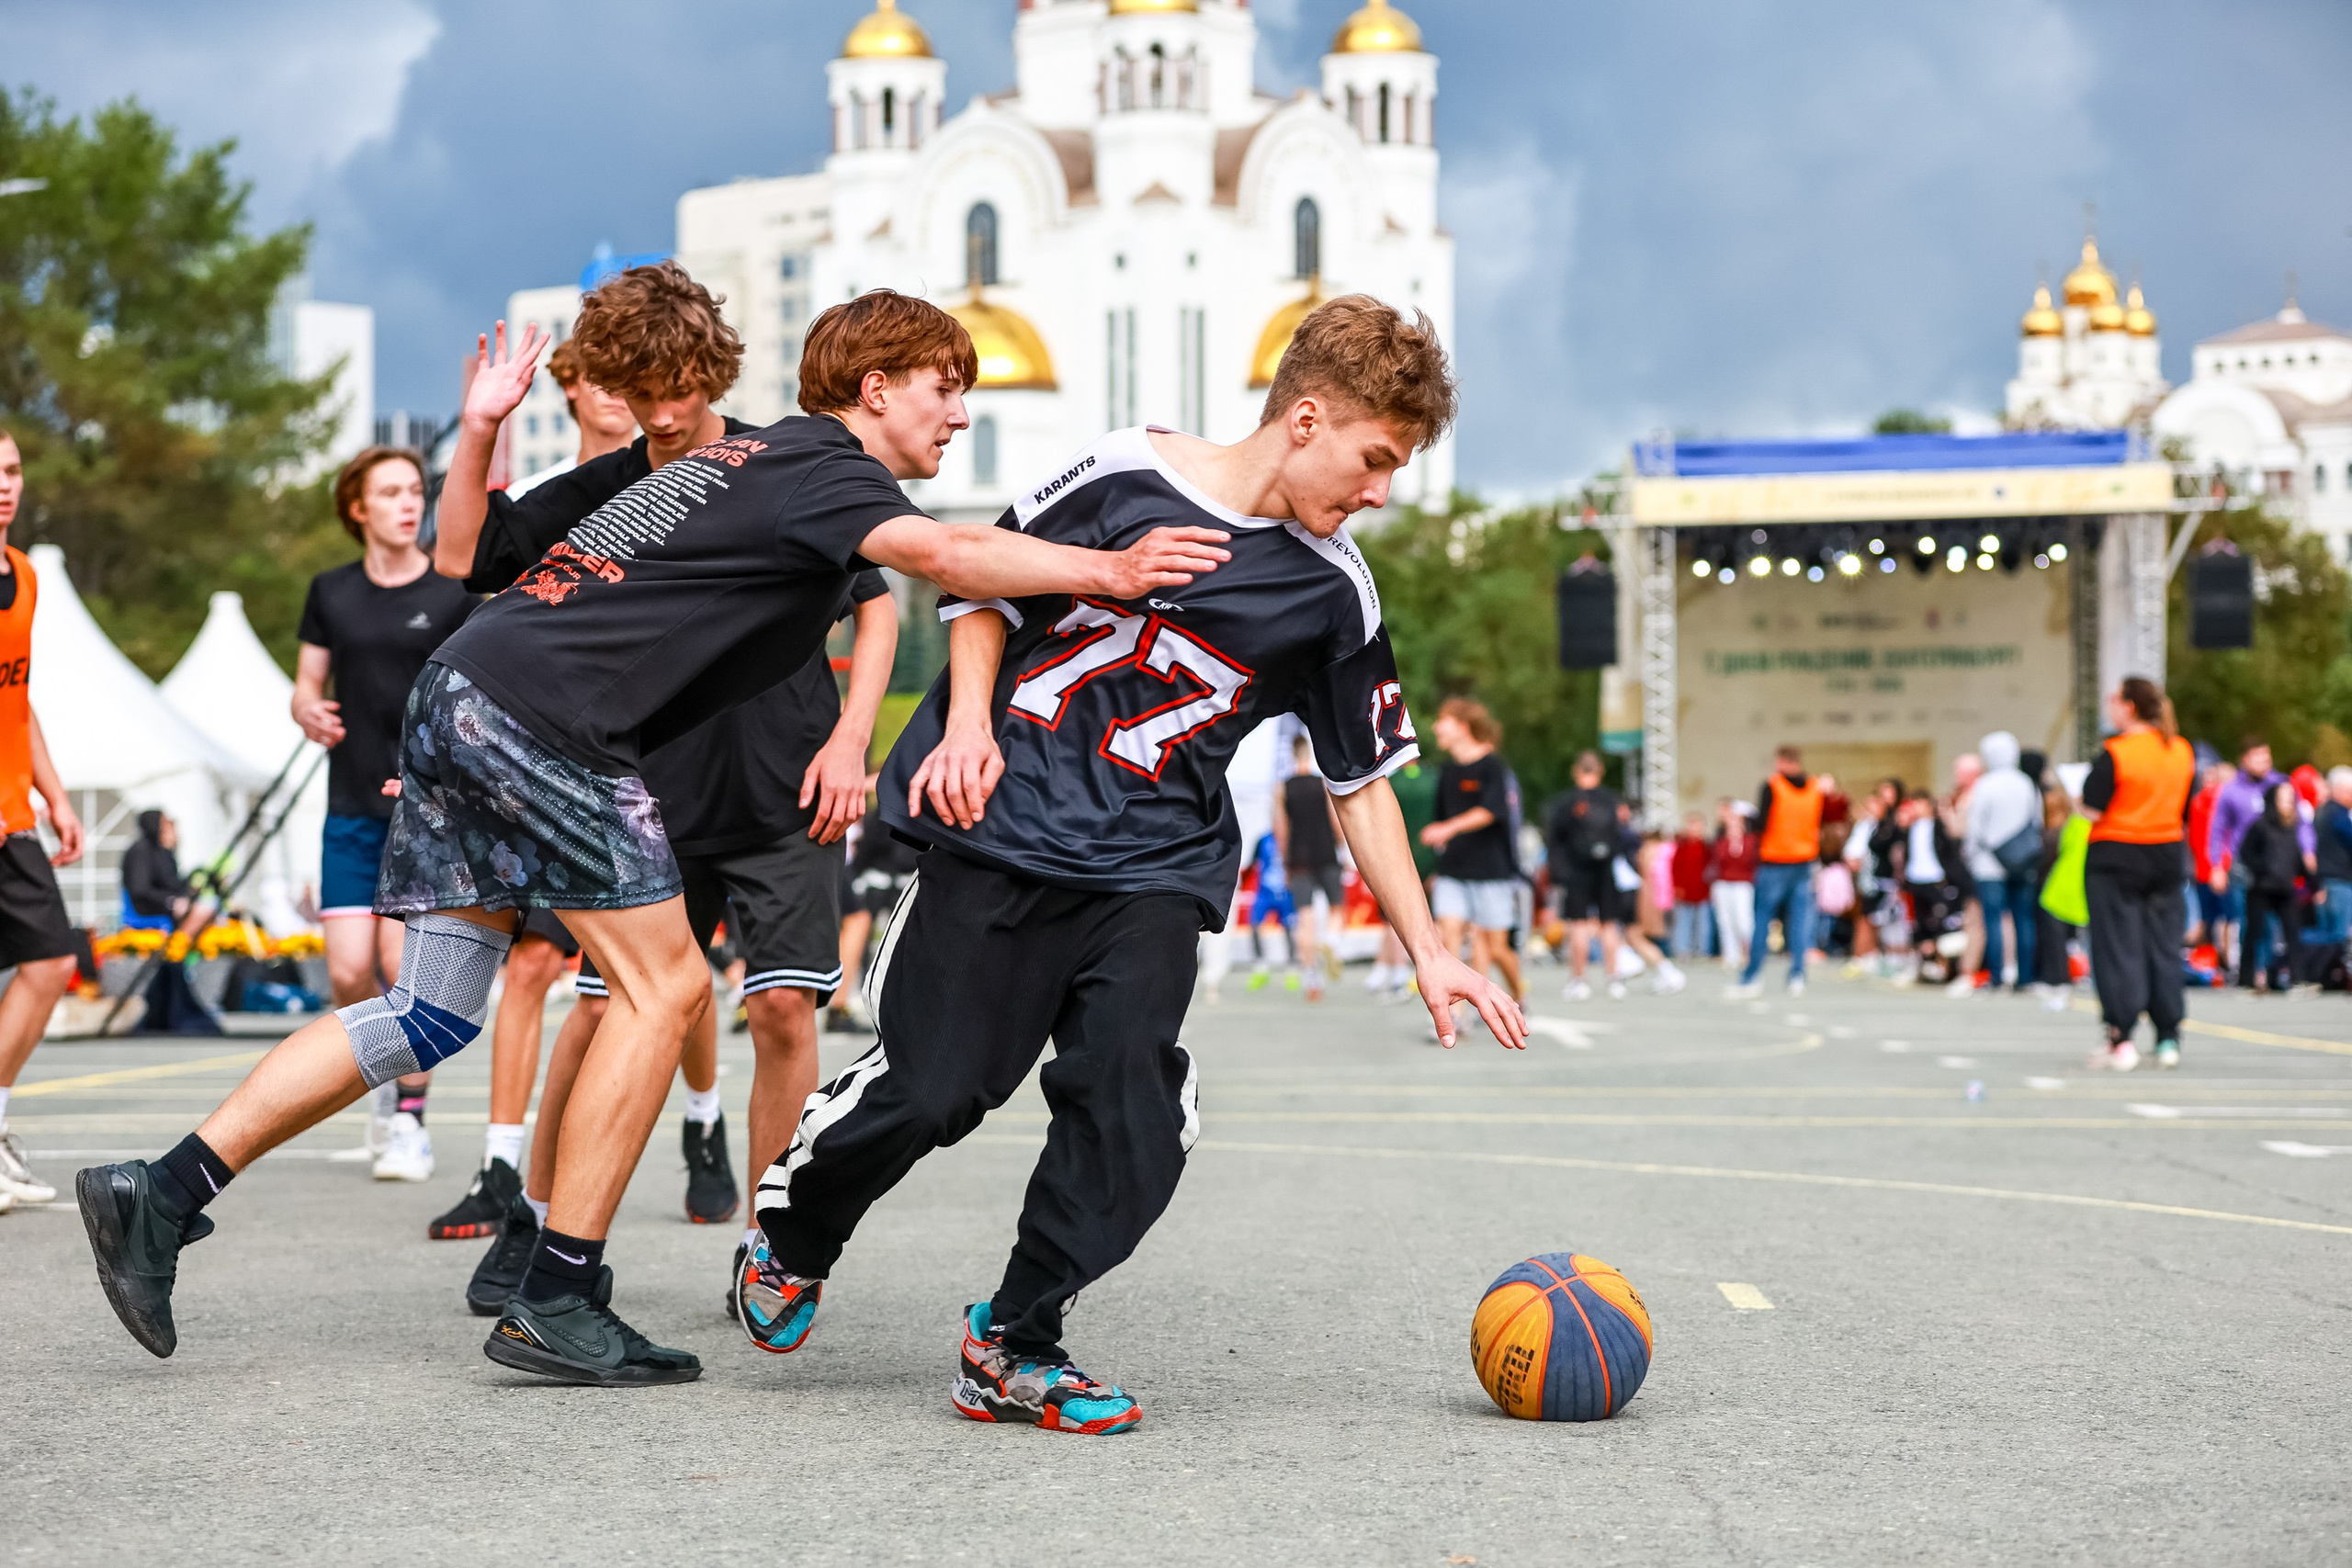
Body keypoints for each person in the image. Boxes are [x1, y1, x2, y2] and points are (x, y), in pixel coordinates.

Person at [74, 288, 1228, 1382]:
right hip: (546, 723)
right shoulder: (821, 466)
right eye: (945, 387)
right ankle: (561, 1293)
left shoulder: (748, 460)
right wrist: (1111, 569)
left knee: (430, 1009)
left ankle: (162, 1192)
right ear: (874, 387)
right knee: (668, 991)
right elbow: (948, 559)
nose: (960, 412)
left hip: (467, 696)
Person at [740, 295, 1528, 1434]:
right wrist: (966, 728)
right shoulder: (1122, 473)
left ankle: (1015, 1339)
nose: (1378, 492)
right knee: (937, 1088)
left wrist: (1432, 951)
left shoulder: (1333, 591)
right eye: (1374, 460)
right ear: (1306, 419)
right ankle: (796, 1230)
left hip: (1156, 870)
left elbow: (1359, 782)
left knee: (1131, 1104)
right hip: (1005, 832)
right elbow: (977, 583)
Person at [430, 265, 899, 1308]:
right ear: (614, 392)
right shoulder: (605, 486)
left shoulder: (782, 459)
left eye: (681, 388)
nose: (666, 414)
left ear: (713, 371)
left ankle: (766, 1249)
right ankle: (537, 1226)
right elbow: (461, 552)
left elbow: (877, 603)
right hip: (648, 792)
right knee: (602, 1011)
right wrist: (478, 433)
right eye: (641, 396)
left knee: (784, 1015)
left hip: (790, 781)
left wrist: (853, 740)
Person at [292, 445, 476, 1183]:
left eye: (415, 491)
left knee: (403, 972)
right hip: (349, 807)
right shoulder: (330, 591)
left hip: (424, 813)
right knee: (346, 972)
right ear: (357, 509)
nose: (409, 503)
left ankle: (410, 1123)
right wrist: (307, 708)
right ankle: (380, 1094)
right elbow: (306, 682)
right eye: (391, 493)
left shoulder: (454, 588)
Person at [0, 427, 88, 1212]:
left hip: (11, 812)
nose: (4, 485)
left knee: (51, 962)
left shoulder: (23, 575)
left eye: (13, 469)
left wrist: (53, 795)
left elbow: (17, 700)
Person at [2080, 676, 2196, 1070]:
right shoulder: (2180, 750)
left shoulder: (2117, 752)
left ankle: (2121, 1033)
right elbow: (2184, 807)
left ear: (2129, 706)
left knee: (2118, 946)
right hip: (2165, 852)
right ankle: (2168, 1035)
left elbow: (2092, 809)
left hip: (2117, 852)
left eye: (2115, 700)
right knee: (2163, 946)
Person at [1421, 698, 1525, 1005]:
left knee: (1495, 948)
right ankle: (1455, 1014)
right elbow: (1440, 820)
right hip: (1454, 870)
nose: (1436, 726)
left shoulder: (1493, 766)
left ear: (1462, 726)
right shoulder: (1448, 771)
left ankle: (1519, 996)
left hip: (1492, 871)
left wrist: (1448, 828)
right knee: (1448, 933)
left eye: (1443, 720)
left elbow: (1491, 811)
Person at [1729, 745, 1823, 998]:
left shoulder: (1773, 786)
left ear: (1781, 761)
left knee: (1762, 920)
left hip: (1775, 860)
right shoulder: (1815, 787)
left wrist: (1745, 819)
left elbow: (1762, 823)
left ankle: (1752, 976)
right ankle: (1797, 975)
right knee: (1800, 921)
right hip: (1804, 860)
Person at [1962, 730, 2042, 994]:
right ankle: (2025, 977)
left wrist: (1971, 854)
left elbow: (1975, 827)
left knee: (1993, 919)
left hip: (1989, 863)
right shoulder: (2025, 783)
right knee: (2023, 919)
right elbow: (2036, 822)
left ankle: (1997, 977)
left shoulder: (1986, 785)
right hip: (2023, 861)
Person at [506, 337, 639, 498]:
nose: (617, 392)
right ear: (570, 385)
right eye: (602, 378)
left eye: (630, 381)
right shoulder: (525, 495)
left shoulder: (671, 488)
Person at [2207, 738, 2288, 982]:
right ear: (2245, 760)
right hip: (2243, 865)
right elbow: (2217, 830)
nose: (2264, 762)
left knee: (2274, 921)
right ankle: (2252, 972)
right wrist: (2216, 866)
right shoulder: (2231, 790)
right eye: (2258, 757)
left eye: (2267, 757)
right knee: (2248, 919)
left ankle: (2271, 971)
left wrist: (2307, 851)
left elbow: (2300, 823)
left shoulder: (2280, 785)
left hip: (2276, 863)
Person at [1546, 751, 1625, 999]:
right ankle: (1614, 979)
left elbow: (1554, 839)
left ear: (1576, 771)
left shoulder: (1567, 802)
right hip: (1606, 869)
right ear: (1600, 770)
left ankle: (1579, 980)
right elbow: (1621, 836)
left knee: (1579, 925)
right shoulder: (1612, 800)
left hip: (1577, 870)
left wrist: (1557, 873)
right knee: (1609, 925)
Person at [1272, 733, 1345, 1000]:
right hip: (1325, 850)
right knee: (1337, 906)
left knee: (1305, 916)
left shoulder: (1283, 787)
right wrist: (1341, 844)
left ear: (1292, 754)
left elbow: (1281, 828)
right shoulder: (1323, 783)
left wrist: (1284, 860)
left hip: (1298, 856)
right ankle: (1331, 942)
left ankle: (1311, 975)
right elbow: (1335, 818)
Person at [2234, 781, 2310, 992]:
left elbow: (2296, 857)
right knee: (2254, 931)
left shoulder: (2291, 827)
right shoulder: (2260, 825)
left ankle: (2297, 978)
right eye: (2283, 799)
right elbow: (2246, 853)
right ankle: (2246, 979)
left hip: (2285, 887)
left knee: (2293, 932)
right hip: (2262, 886)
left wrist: (2313, 881)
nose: (2287, 803)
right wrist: (2263, 868)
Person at [2185, 755, 2232, 947]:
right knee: (2228, 918)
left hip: (2204, 869)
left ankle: (2207, 957)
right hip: (2220, 868)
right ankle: (2223, 959)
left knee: (2208, 919)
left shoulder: (2197, 801)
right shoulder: (2218, 800)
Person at [120, 811, 193, 931]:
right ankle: (179, 945)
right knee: (200, 911)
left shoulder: (157, 850)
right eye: (164, 824)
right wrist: (170, 901)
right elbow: (140, 889)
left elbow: (172, 882)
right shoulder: (141, 851)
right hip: (146, 908)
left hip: (160, 904)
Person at [1709, 798, 1757, 970]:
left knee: (1744, 920)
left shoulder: (1751, 841)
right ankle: (1731, 954)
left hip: (1742, 884)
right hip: (1723, 884)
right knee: (1725, 921)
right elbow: (1718, 860)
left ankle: (1750, 952)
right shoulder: (1721, 842)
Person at [2314, 767, 2352, 949]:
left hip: (2323, 880)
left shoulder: (2321, 812)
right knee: (2339, 937)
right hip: (2339, 880)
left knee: (2327, 934)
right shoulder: (2339, 815)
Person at [1668, 810, 1712, 961]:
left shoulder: (1707, 847)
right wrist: (1677, 886)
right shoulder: (1682, 847)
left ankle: (1702, 949)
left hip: (1702, 890)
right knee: (1683, 922)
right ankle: (1682, 949)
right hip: (1684, 891)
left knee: (1702, 923)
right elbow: (1676, 868)